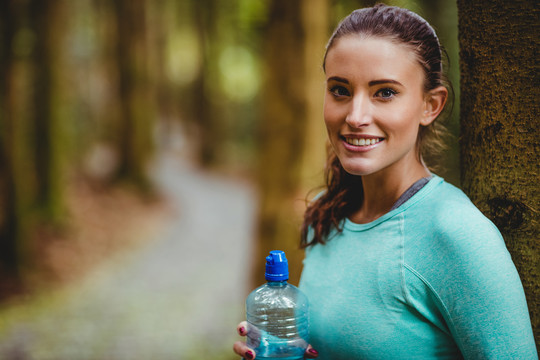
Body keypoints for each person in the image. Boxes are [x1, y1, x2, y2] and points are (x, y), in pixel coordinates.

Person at [234, 4, 537, 359]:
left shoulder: (456, 233)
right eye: (340, 90)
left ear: (430, 105)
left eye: (385, 92)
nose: (356, 116)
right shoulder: (328, 213)